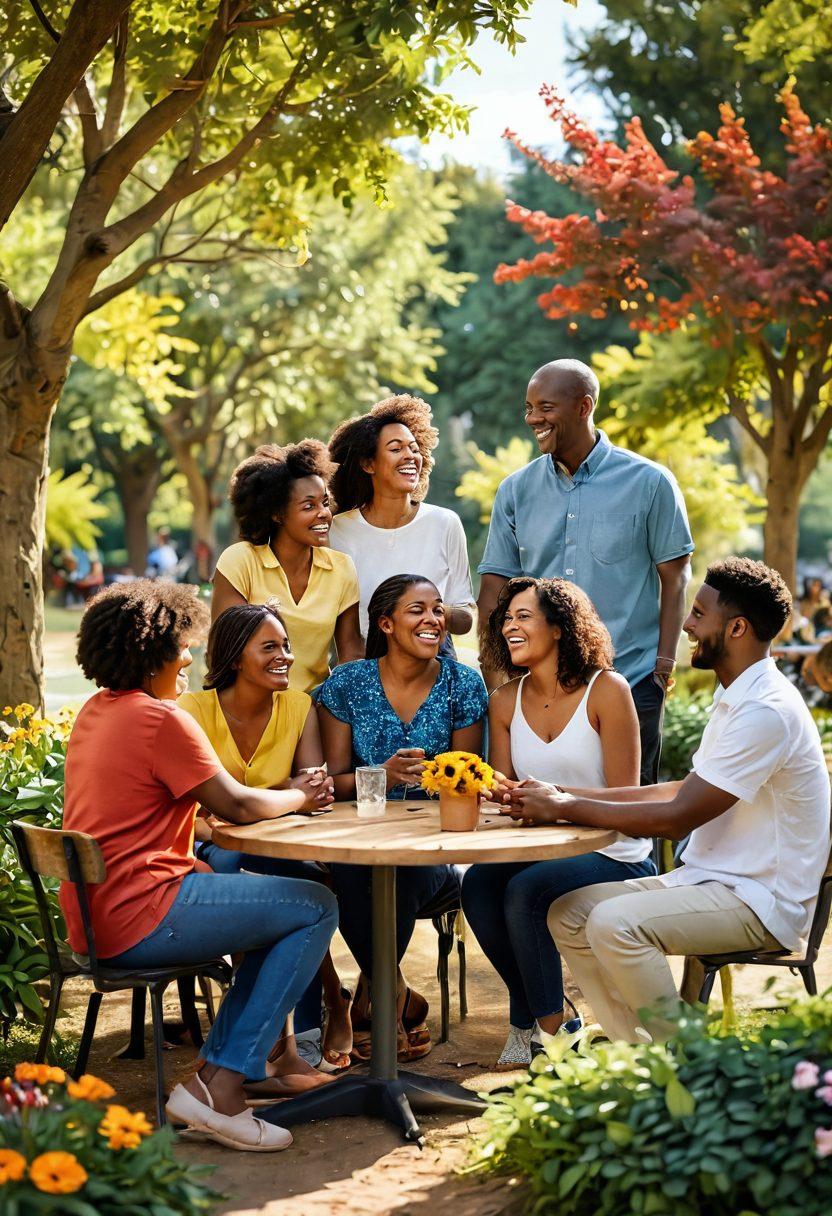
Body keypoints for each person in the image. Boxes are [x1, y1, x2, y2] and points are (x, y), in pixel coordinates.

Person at [60, 580, 337, 1151]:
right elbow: (236, 804)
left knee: (278, 911)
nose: (189, 656)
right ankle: (226, 1087)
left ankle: (220, 1080)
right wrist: (298, 795)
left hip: (97, 915)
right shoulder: (160, 719)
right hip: (142, 915)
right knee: (314, 906)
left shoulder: (97, 712)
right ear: (151, 652)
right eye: (180, 647)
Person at [505, 558, 830, 1044]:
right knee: (567, 913)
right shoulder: (739, 696)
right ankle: (637, 1056)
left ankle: (687, 1063)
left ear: (737, 627)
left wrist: (563, 807)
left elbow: (678, 817)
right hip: (711, 882)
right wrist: (564, 793)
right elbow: (683, 789)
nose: (686, 624)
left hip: (761, 901)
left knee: (616, 923)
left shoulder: (765, 710)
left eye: (699, 614)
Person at [462, 577, 654, 1068]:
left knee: (524, 892)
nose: (510, 626)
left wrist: (559, 799)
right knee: (479, 884)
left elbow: (625, 800)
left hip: (614, 851)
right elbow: (505, 789)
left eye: (523, 617)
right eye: (506, 619)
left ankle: (551, 1038)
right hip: (542, 848)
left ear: (560, 628)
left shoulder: (606, 690)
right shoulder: (505, 700)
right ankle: (546, 1014)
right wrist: (498, 792)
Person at [476, 359, 694, 784]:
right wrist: (498, 674)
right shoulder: (515, 490)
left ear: (583, 406)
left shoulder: (650, 482)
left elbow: (676, 577)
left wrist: (663, 666)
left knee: (628, 821)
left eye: (545, 407)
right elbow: (495, 589)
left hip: (629, 679)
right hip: (537, 690)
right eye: (528, 408)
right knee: (526, 808)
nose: (533, 419)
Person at [179, 602, 353, 1077]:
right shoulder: (191, 710)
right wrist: (279, 796)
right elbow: (189, 812)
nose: (286, 657)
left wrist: (243, 804)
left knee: (303, 879)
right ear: (235, 657)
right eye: (270, 647)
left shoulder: (298, 706)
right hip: (213, 847)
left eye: (287, 646)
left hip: (283, 844)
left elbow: (315, 791)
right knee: (238, 866)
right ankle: (299, 1024)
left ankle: (284, 1037)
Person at [318, 574, 488, 1060]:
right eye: (418, 610)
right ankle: (393, 995)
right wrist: (384, 777)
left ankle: (378, 1002)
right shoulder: (348, 684)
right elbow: (333, 783)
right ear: (386, 624)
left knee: (403, 867)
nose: (434, 619)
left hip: (435, 849)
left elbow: (468, 781)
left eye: (438, 609)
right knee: (353, 868)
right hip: (357, 838)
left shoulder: (463, 683)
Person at [328, 395, 475, 657]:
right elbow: (344, 629)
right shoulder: (338, 531)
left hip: (436, 659)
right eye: (396, 449)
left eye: (415, 449)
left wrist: (423, 612)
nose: (410, 456)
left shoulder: (445, 523)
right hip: (369, 662)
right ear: (368, 463)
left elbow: (465, 617)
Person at [212, 441, 364, 692]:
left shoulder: (341, 568)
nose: (323, 513)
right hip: (251, 705)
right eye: (308, 506)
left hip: (313, 709)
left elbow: (351, 653)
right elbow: (225, 651)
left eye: (324, 503)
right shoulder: (240, 561)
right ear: (277, 514)